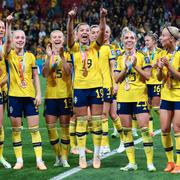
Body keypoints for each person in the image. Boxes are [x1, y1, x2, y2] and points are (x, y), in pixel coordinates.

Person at [4, 14, 47, 170]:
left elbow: (36, 76)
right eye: (17, 38)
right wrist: (9, 25)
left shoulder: (30, 56)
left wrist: (38, 94)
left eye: (22, 38)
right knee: (16, 131)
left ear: (25, 40)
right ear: (13, 40)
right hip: (14, 97)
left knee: (34, 130)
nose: (20, 40)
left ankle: (39, 160)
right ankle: (19, 160)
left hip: (29, 97)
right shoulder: (9, 54)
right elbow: (7, 42)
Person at [67, 7, 107, 169]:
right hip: (80, 89)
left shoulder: (96, 47)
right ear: (77, 34)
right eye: (81, 30)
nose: (84, 32)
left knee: (97, 123)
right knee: (81, 122)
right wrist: (70, 20)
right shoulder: (74, 47)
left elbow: (103, 31)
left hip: (96, 87)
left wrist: (102, 18)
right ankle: (82, 157)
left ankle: (97, 156)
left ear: (91, 34)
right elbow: (69, 35)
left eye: (87, 30)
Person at [114, 29, 156, 171]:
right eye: (126, 38)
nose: (129, 40)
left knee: (144, 130)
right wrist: (126, 68)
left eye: (132, 38)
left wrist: (135, 65)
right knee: (126, 131)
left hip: (139, 97)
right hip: (123, 98)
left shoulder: (143, 55)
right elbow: (116, 79)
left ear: (136, 41)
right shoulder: (119, 58)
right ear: (122, 40)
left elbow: (148, 76)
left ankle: (150, 163)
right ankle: (132, 163)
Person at [42, 30, 72, 168]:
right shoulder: (46, 55)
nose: (57, 39)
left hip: (65, 96)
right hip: (50, 96)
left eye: (60, 36)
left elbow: (68, 71)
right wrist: (49, 57)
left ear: (63, 39)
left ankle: (64, 158)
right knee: (50, 128)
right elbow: (44, 73)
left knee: (65, 128)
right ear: (51, 40)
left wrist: (62, 56)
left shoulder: (68, 53)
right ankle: (58, 156)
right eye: (55, 37)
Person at [157, 26, 180, 174]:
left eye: (163, 36)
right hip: (166, 94)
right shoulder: (162, 54)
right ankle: (170, 161)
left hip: (178, 95)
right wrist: (160, 68)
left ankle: (179, 164)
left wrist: (168, 66)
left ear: (171, 38)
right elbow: (159, 78)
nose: (161, 38)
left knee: (177, 128)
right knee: (165, 129)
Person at [99, 25, 124, 155]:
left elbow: (113, 67)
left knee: (104, 115)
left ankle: (105, 145)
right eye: (103, 31)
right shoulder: (96, 48)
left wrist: (115, 84)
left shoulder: (110, 48)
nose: (105, 34)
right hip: (97, 86)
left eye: (108, 32)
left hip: (107, 85)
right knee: (113, 115)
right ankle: (123, 140)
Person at [145, 32, 162, 136]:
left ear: (154, 41)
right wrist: (153, 65)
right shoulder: (143, 52)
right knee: (148, 108)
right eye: (145, 40)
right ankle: (150, 130)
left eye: (148, 40)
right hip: (146, 83)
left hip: (156, 82)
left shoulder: (160, 52)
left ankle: (168, 120)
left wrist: (154, 65)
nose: (146, 42)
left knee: (156, 107)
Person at [0, 18, 11, 169]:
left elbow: (10, 71)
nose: (1, 29)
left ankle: (0, 156)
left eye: (2, 27)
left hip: (1, 89)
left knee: (0, 126)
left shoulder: (7, 47)